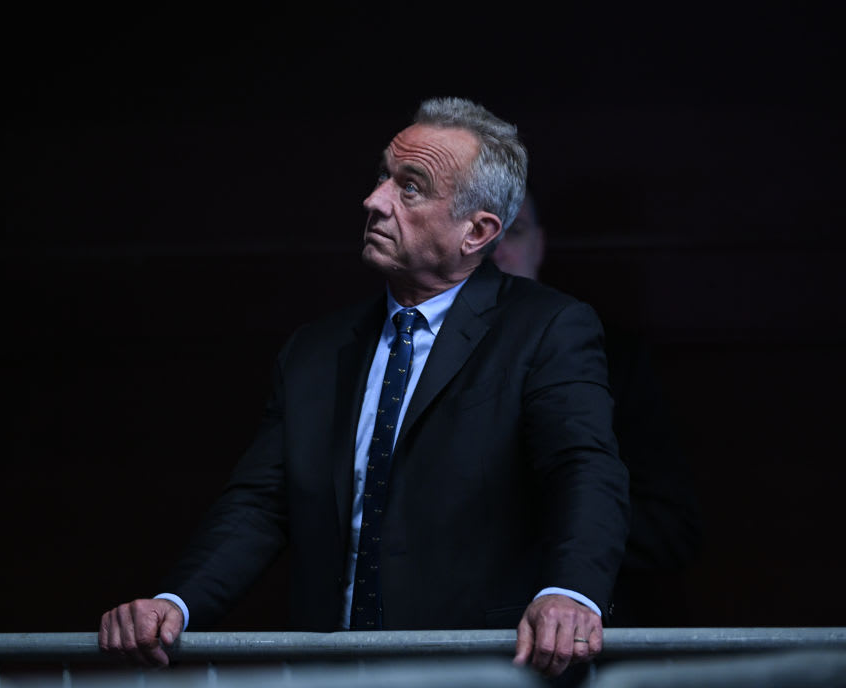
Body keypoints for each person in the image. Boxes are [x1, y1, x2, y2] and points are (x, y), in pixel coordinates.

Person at [100, 97, 630, 682]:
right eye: (384, 176)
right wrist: (175, 605)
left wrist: (572, 592)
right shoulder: (316, 350)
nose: (374, 200)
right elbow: (259, 503)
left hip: (480, 669)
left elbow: (583, 468)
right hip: (333, 670)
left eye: (411, 187)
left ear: (476, 232)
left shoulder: (547, 327)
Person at [491, 193, 704, 627]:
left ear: (540, 245)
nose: (496, 250)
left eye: (512, 231)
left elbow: (671, 528)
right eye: (481, 229)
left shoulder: (614, 358)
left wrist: (556, 518)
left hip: (574, 638)